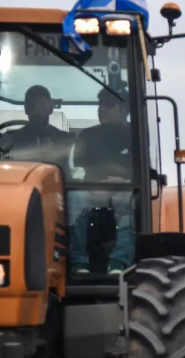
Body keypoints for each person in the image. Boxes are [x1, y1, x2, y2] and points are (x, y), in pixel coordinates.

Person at [69, 87, 136, 275]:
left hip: (125, 189)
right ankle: (78, 262)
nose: (102, 109)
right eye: (100, 105)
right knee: (74, 197)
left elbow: (142, 169)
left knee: (129, 199)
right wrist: (93, 185)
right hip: (92, 190)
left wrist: (123, 180)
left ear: (125, 109)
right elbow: (78, 170)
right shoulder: (87, 136)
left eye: (109, 105)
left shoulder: (136, 135)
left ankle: (118, 261)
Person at [0, 85, 74, 165]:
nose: (37, 110)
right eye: (33, 106)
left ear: (50, 108)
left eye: (42, 105)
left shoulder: (65, 140)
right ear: (26, 109)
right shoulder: (9, 139)